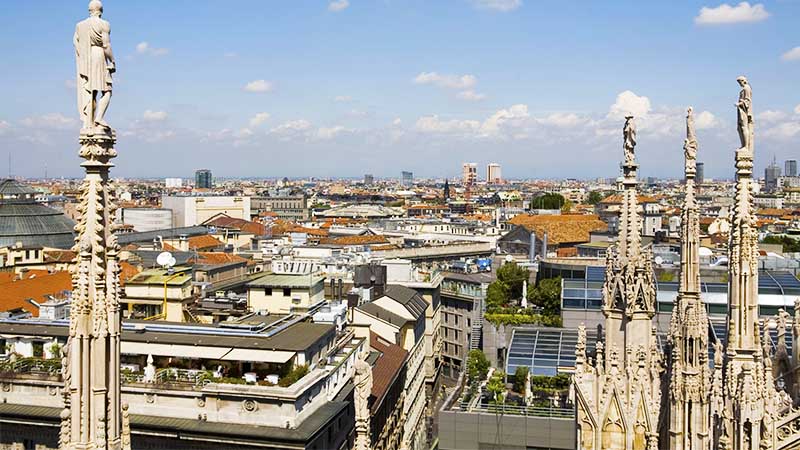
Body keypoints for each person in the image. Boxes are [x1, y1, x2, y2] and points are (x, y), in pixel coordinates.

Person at [74, 0, 115, 130]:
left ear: (89, 10)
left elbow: (75, 42)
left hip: (86, 58)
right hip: (98, 55)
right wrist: (113, 61)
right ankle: (99, 117)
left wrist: (83, 58)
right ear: (101, 11)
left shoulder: (80, 25)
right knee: (107, 90)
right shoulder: (104, 24)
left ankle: (88, 122)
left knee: (90, 91)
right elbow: (106, 45)